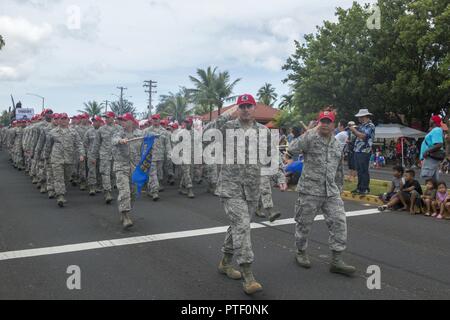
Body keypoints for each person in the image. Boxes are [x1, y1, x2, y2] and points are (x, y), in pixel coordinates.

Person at [212, 94, 287, 295]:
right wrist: (225, 114)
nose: (245, 109)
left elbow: (273, 157)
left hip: (252, 188)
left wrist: (280, 176)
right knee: (243, 225)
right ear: (238, 108)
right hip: (231, 187)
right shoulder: (227, 128)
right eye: (242, 106)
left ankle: (225, 262)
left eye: (249, 106)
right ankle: (248, 274)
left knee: (238, 226)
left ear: (254, 108)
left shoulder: (263, 132)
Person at [287, 110, 356, 277]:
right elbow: (292, 148)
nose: (325, 124)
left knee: (339, 222)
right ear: (319, 123)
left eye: (328, 121)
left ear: (333, 124)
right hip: (310, 190)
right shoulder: (310, 138)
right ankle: (301, 251)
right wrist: (310, 131)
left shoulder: (337, 144)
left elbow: (339, 168)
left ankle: (337, 260)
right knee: (304, 224)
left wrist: (339, 188)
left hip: (331, 191)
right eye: (322, 121)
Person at [44, 113, 85, 207]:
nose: (63, 120)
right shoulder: (53, 132)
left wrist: (82, 154)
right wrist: (46, 157)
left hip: (69, 158)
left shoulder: (73, 132)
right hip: (56, 158)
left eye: (65, 118)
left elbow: (79, 144)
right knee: (58, 178)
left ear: (68, 120)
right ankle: (60, 196)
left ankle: (61, 190)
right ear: (59, 120)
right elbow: (48, 146)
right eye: (61, 119)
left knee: (66, 177)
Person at [111, 113, 143, 229]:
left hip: (135, 166)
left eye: (124, 120)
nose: (122, 122)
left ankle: (124, 210)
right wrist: (121, 141)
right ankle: (125, 215)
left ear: (131, 121)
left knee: (133, 192)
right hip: (121, 166)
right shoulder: (118, 133)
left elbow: (145, 146)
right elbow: (114, 140)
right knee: (124, 191)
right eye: (121, 121)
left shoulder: (140, 134)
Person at [93, 111, 118, 204]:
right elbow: (96, 144)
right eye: (105, 117)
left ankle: (110, 188)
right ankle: (107, 192)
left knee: (113, 174)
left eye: (108, 117)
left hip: (116, 156)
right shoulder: (101, 130)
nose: (106, 119)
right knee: (105, 174)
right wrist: (93, 157)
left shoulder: (119, 129)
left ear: (113, 118)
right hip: (105, 155)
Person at [349, 109, 376, 195]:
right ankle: (359, 188)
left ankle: (365, 188)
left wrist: (354, 130)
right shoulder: (362, 126)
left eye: (360, 117)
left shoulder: (370, 125)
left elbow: (363, 136)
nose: (359, 119)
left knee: (364, 170)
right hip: (358, 150)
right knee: (359, 170)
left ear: (364, 117)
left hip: (364, 150)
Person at [420, 115, 444, 182]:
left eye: (430, 119)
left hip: (430, 158)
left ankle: (432, 192)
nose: (429, 120)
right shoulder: (435, 130)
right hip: (429, 158)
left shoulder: (437, 130)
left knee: (429, 180)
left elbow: (439, 144)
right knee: (430, 180)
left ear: (433, 121)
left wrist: (426, 151)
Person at [84, 116, 103, 196]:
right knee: (92, 170)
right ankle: (92, 187)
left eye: (96, 121)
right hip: (91, 154)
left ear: (100, 122)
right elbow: (85, 143)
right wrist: (88, 152)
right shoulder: (89, 132)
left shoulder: (103, 131)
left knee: (100, 171)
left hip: (102, 154)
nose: (94, 122)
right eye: (93, 121)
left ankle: (99, 186)